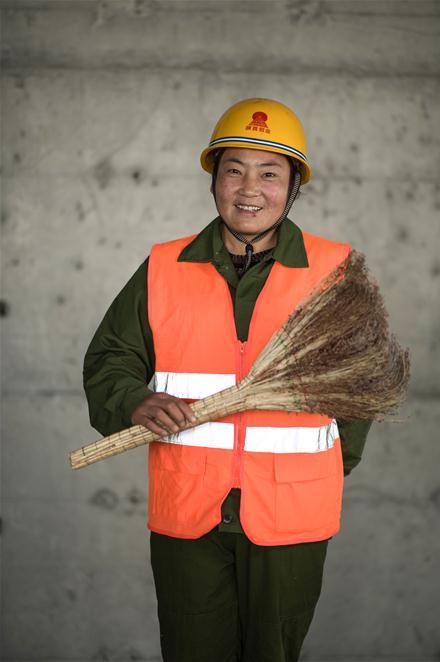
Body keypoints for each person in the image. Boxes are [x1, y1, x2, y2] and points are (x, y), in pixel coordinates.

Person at [83, 98, 371, 661]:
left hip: (290, 516)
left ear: (293, 187)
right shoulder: (164, 267)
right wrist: (135, 400)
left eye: (270, 173)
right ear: (213, 180)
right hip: (189, 511)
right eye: (233, 170)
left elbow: (358, 388)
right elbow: (109, 359)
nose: (249, 189)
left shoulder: (334, 270)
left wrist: (324, 474)